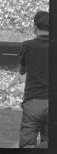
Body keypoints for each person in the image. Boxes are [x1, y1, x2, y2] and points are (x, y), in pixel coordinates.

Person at [18, 11, 49, 148]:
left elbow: (22, 70)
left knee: (27, 144)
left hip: (33, 101)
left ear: (35, 27)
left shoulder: (27, 45)